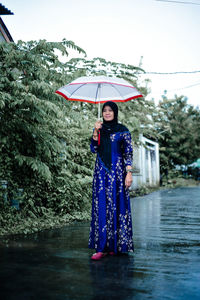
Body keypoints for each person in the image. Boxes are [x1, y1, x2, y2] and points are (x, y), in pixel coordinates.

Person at [88, 101, 134, 260]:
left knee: (117, 205)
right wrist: (95, 131)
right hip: (101, 173)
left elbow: (128, 153)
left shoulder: (123, 130)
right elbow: (93, 149)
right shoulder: (100, 129)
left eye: (110, 110)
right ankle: (101, 248)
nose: (107, 113)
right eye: (104, 110)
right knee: (102, 206)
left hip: (118, 173)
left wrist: (129, 173)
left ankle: (115, 246)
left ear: (115, 112)